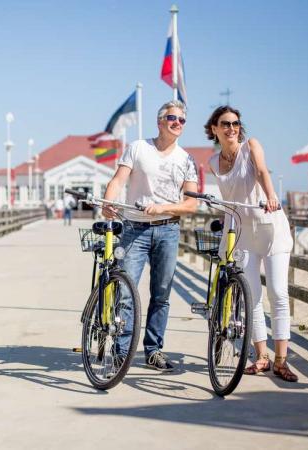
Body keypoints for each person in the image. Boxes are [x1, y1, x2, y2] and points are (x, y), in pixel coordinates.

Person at [204, 105, 298, 382]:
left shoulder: (251, 146)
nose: (231, 128)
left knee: (278, 293)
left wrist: (271, 196)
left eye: (235, 123)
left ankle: (282, 360)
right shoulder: (212, 161)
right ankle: (261, 357)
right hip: (243, 232)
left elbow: (261, 172)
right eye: (225, 124)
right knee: (251, 298)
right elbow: (227, 197)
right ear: (215, 129)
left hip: (271, 227)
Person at [103, 100, 198, 372]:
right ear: (160, 122)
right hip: (135, 228)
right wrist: (108, 203)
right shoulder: (138, 148)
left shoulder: (186, 159)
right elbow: (118, 181)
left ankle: (154, 350)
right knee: (125, 291)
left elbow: (191, 204)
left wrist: (164, 207)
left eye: (181, 120)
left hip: (168, 229)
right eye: (172, 118)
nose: (177, 123)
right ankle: (122, 352)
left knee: (161, 294)